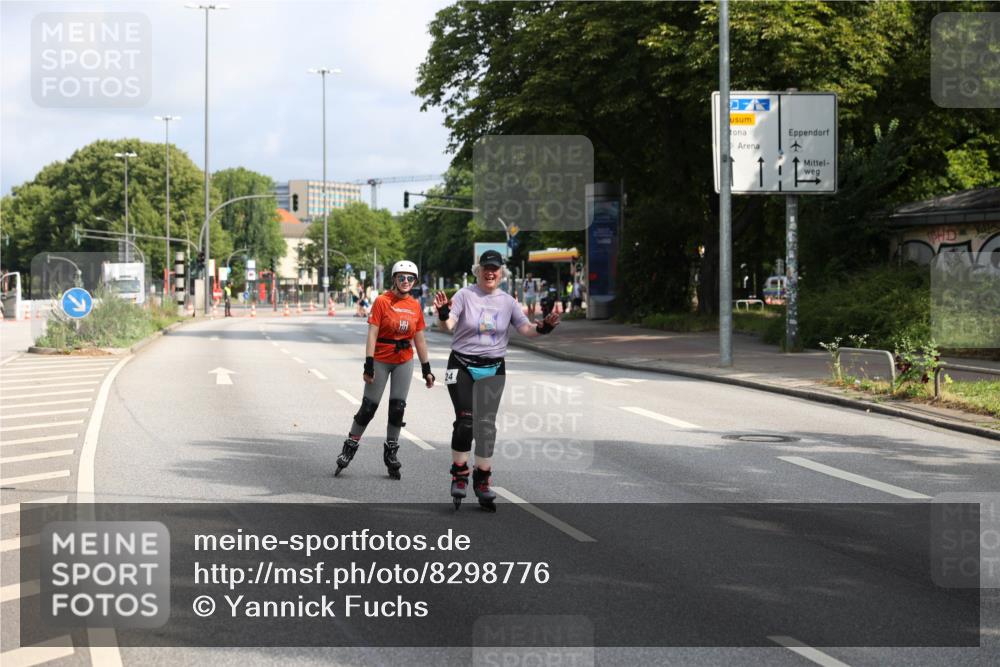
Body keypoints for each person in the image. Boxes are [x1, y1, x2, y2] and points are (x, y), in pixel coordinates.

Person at [433, 250, 560, 511]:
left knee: (486, 428)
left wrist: (544, 327)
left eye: (495, 269)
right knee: (467, 421)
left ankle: (482, 481)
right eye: (486, 268)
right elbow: (448, 326)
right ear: (477, 270)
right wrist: (444, 314)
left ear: (501, 272)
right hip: (462, 366)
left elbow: (525, 329)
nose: (490, 273)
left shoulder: (508, 302)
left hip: (493, 367)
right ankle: (459, 474)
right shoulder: (464, 295)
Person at [336, 260, 435, 479]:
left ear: (415, 281)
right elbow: (372, 332)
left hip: (404, 360)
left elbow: (419, 339)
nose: (406, 281)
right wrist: (368, 362)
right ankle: (349, 447)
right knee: (368, 407)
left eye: (410, 278)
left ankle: (391, 453)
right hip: (381, 358)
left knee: (397, 408)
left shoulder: (415, 305)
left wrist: (426, 368)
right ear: (394, 279)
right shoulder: (382, 301)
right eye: (401, 278)